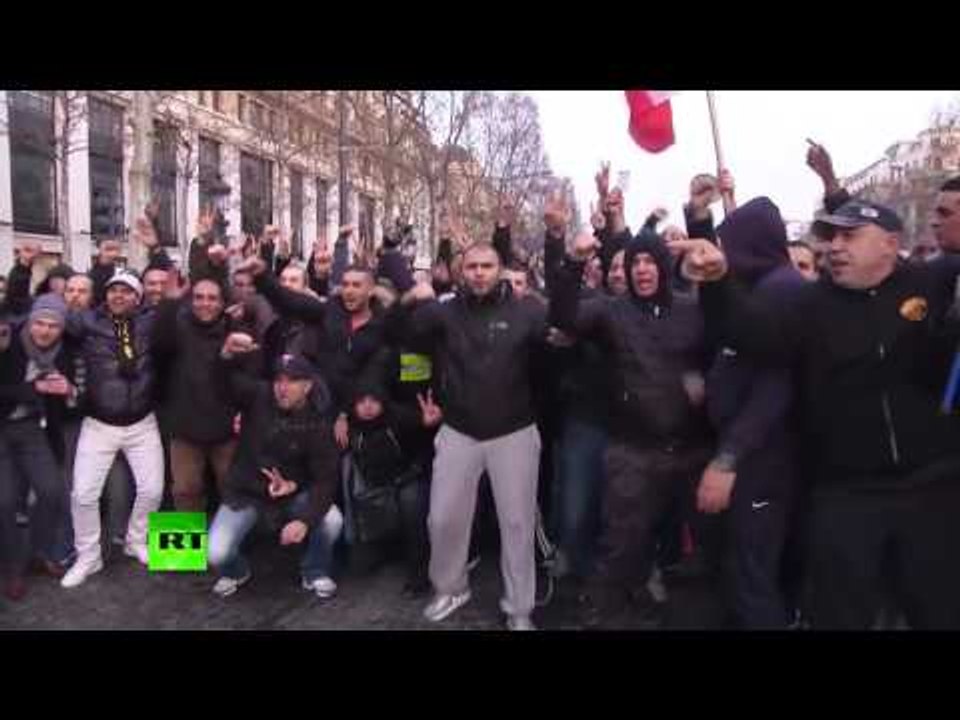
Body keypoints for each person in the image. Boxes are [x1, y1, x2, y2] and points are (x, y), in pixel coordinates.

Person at [672, 198, 960, 629]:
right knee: (843, 614)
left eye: (849, 236)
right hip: (845, 496)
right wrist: (717, 282)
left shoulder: (929, 283)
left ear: (889, 244)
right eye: (830, 237)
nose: (834, 247)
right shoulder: (808, 306)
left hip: (931, 490)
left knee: (937, 609)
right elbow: (749, 335)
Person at [554, 227, 714, 628]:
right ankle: (607, 611)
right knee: (622, 542)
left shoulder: (690, 310)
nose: (642, 270)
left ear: (663, 265)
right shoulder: (612, 310)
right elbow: (563, 317)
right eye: (634, 262)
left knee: (709, 542)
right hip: (633, 450)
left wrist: (699, 379)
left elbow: (720, 342)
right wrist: (572, 262)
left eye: (649, 261)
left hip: (692, 449)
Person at [401, 237, 554, 631]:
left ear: (500, 270)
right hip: (459, 429)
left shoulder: (527, 313)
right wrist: (411, 297)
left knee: (517, 524)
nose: (479, 273)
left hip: (514, 430)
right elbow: (404, 338)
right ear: (461, 272)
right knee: (441, 519)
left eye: (487, 266)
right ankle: (450, 586)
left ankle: (519, 607)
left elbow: (554, 361)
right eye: (472, 267)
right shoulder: (445, 312)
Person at [699, 197, 807, 628]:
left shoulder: (781, 292)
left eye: (728, 243)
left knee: (754, 577)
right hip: (758, 456)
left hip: (763, 458)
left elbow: (775, 387)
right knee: (748, 571)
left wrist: (729, 457)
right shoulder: (765, 289)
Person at [60, 270, 167, 588]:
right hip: (99, 424)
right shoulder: (87, 322)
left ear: (138, 297)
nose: (118, 296)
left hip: (142, 423)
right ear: (105, 295)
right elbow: (45, 315)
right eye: (113, 290)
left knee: (153, 490)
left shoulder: (151, 323)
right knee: (83, 494)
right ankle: (88, 556)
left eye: (126, 291)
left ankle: (136, 540)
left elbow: (183, 310)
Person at [207, 346, 342, 599]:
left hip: (293, 495)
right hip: (246, 493)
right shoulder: (257, 394)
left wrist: (304, 517)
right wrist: (224, 354)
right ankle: (237, 572)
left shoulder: (319, 422)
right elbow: (222, 382)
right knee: (216, 552)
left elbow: (326, 479)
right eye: (278, 380)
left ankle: (314, 571)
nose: (283, 387)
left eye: (292, 381)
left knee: (332, 519)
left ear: (308, 386)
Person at [0, 294, 80, 601]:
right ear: (29, 321)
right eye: (39, 323)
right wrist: (33, 389)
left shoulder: (64, 353)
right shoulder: (10, 342)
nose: (44, 331)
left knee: (51, 492)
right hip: (2, 428)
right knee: (5, 502)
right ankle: (13, 568)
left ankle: (38, 552)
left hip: (34, 429)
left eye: (53, 326)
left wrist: (69, 391)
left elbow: (72, 402)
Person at [152, 279, 238, 512]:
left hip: (226, 431)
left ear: (222, 303)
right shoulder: (178, 329)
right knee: (182, 491)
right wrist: (169, 302)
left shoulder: (234, 331)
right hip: (185, 430)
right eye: (198, 297)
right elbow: (157, 345)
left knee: (234, 491)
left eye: (212, 298)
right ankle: (182, 551)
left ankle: (229, 547)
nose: (205, 303)